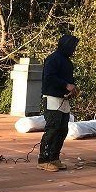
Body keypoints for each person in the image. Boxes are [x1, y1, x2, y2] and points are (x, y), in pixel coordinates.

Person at [38, 34, 79, 172]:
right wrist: (66, 85)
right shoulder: (53, 59)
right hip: (52, 98)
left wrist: (72, 88)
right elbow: (49, 77)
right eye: (73, 47)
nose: (74, 50)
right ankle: (43, 160)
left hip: (64, 99)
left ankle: (54, 157)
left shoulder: (68, 62)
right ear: (66, 46)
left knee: (62, 130)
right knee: (52, 129)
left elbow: (69, 80)